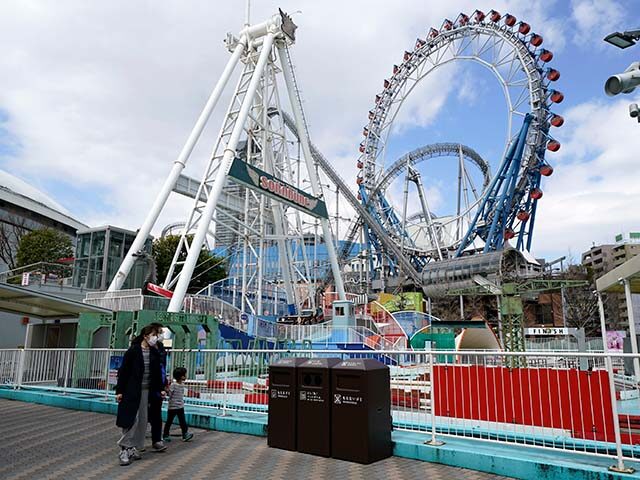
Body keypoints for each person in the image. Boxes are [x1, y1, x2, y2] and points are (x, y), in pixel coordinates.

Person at [115, 324, 165, 466]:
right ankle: (124, 448)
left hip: (146, 390)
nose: (156, 338)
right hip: (132, 390)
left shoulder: (154, 352)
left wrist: (160, 388)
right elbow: (124, 371)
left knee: (143, 420)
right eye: (154, 335)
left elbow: (156, 373)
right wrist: (119, 391)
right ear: (145, 336)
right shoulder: (133, 351)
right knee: (132, 419)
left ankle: (133, 447)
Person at [147, 322, 168, 452]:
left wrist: (164, 383)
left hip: (158, 385)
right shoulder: (142, 348)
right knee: (141, 415)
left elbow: (163, 367)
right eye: (159, 332)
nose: (160, 335)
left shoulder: (160, 347)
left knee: (157, 414)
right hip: (146, 385)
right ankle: (133, 443)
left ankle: (157, 440)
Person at [162, 367, 194, 442]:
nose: (186, 376)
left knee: (183, 421)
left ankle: (185, 434)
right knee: (169, 421)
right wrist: (167, 390)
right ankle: (165, 434)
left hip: (180, 406)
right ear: (182, 376)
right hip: (173, 407)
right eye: (185, 375)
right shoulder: (173, 385)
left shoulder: (182, 384)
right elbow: (170, 394)